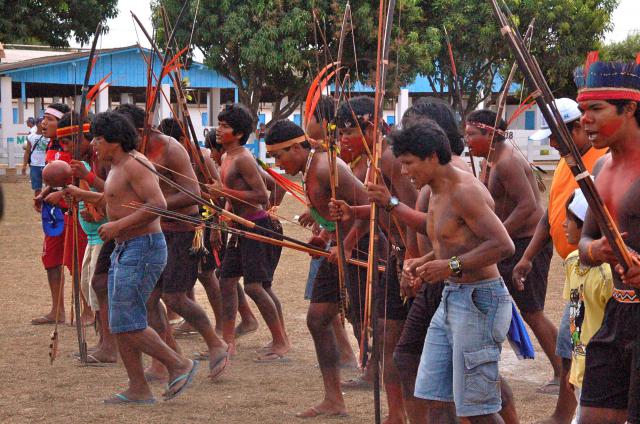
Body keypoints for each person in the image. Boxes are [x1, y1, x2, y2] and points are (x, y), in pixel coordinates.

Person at [66, 110, 197, 403]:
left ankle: (179, 364)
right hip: (128, 248)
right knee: (121, 320)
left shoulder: (136, 164)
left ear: (115, 140)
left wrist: (117, 226)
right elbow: (116, 199)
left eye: (98, 139)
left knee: (127, 321)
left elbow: (158, 204)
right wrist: (82, 193)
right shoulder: (117, 165)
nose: (94, 145)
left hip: (143, 247)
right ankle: (138, 387)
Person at [396, 120, 515, 423]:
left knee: (479, 409)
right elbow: (455, 244)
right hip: (452, 299)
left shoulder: (463, 191)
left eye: (409, 163)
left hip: (479, 303)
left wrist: (450, 266)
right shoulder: (437, 189)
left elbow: (503, 245)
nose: (404, 172)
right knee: (435, 397)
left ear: (432, 157)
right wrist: (421, 263)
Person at [265, 118, 371, 418]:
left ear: (298, 147)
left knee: (368, 322)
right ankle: (334, 399)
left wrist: (348, 244)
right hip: (337, 247)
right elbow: (334, 211)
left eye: (280, 156)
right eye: (273, 157)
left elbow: (370, 207)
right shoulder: (310, 168)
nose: (278, 163)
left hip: (363, 247)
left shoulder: (327, 167)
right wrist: (324, 235)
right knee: (318, 319)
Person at [114, 104, 228, 381]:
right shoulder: (133, 154)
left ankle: (216, 342)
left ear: (142, 130)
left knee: (175, 296)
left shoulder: (171, 149)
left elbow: (194, 193)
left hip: (183, 230)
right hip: (156, 232)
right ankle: (164, 360)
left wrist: (153, 205)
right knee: (150, 299)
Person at [512, 98, 606, 423]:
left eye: (555, 135)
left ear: (577, 128)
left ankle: (568, 414)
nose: (551, 143)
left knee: (576, 343)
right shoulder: (568, 161)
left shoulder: (599, 162)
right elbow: (549, 217)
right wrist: (526, 257)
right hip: (576, 273)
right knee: (573, 344)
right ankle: (567, 414)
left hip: (597, 274)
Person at [330, 95, 418, 423]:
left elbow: (411, 213)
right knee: (385, 337)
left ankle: (410, 412)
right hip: (398, 259)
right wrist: (353, 211)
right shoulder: (370, 161)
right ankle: (396, 415)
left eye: (349, 130)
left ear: (369, 125)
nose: (343, 139)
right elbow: (385, 206)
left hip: (412, 261)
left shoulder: (392, 158)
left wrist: (411, 262)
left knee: (405, 345)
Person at [466, 109, 562, 393]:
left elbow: (529, 207)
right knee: (522, 309)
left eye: (472, 134)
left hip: (527, 243)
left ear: (491, 134)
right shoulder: (496, 159)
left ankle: (562, 370)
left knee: (532, 311)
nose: (467, 140)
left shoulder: (506, 161)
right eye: (466, 133)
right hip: (516, 243)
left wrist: (497, 234)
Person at [572, 59, 640, 424]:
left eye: (596, 109)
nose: (585, 119)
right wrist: (595, 250)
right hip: (617, 313)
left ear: (629, 108)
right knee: (594, 415)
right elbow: (583, 246)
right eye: (583, 110)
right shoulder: (598, 170)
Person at [212, 103, 288, 361]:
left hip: (257, 226)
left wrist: (225, 194)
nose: (219, 130)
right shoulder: (226, 157)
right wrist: (222, 211)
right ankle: (227, 341)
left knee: (256, 287)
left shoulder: (243, 157)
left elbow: (261, 195)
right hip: (239, 229)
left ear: (239, 133)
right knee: (226, 280)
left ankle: (280, 342)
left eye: (225, 126)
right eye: (219, 124)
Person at [560, 189, 613, 422]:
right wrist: (574, 363)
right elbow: (575, 314)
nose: (563, 225)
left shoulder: (608, 274)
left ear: (586, 226)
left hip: (604, 369)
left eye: (569, 220)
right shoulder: (571, 262)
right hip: (582, 366)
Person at [22, 116, 48, 196]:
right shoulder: (31, 137)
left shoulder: (50, 136)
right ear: (37, 124)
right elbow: (27, 152)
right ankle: (39, 204)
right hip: (35, 165)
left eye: (45, 122)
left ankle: (48, 205)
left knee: (49, 187)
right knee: (37, 188)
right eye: (42, 122)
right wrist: (24, 166)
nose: (44, 123)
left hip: (47, 165)